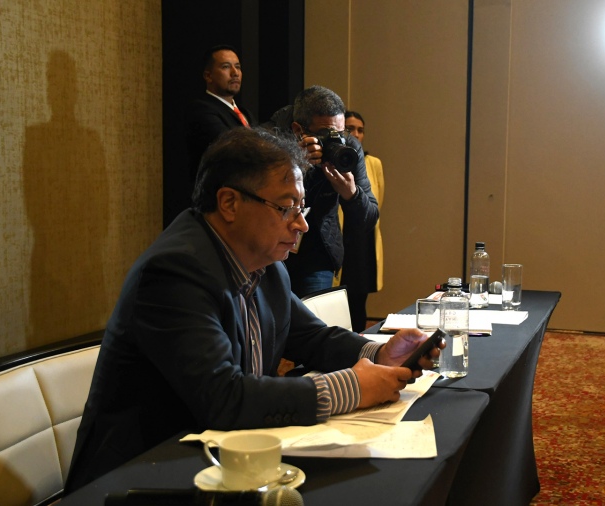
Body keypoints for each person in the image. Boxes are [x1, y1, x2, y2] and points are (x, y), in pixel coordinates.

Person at [64, 128, 437, 492]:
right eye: (286, 208)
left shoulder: (266, 264)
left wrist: (378, 353)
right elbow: (223, 396)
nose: (302, 224)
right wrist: (351, 387)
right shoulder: (175, 271)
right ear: (229, 203)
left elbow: (310, 337)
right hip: (139, 480)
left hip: (223, 462)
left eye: (301, 207)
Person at [263, 86, 379, 297]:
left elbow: (369, 218)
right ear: (298, 130)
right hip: (270, 249)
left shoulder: (348, 147)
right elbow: (258, 199)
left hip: (318, 252)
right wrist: (295, 162)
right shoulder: (268, 140)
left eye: (340, 133)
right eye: (326, 134)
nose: (336, 140)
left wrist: (352, 194)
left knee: (315, 316)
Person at [337, 110, 385, 330]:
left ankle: (359, 344)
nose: (355, 134)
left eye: (360, 130)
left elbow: (377, 201)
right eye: (350, 129)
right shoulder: (331, 161)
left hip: (363, 240)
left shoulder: (373, 163)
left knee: (358, 302)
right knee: (335, 302)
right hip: (338, 238)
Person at [185, 44, 252, 182]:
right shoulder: (201, 110)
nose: (235, 73)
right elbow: (233, 148)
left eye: (238, 67)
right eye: (226, 67)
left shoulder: (245, 112)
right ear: (208, 76)